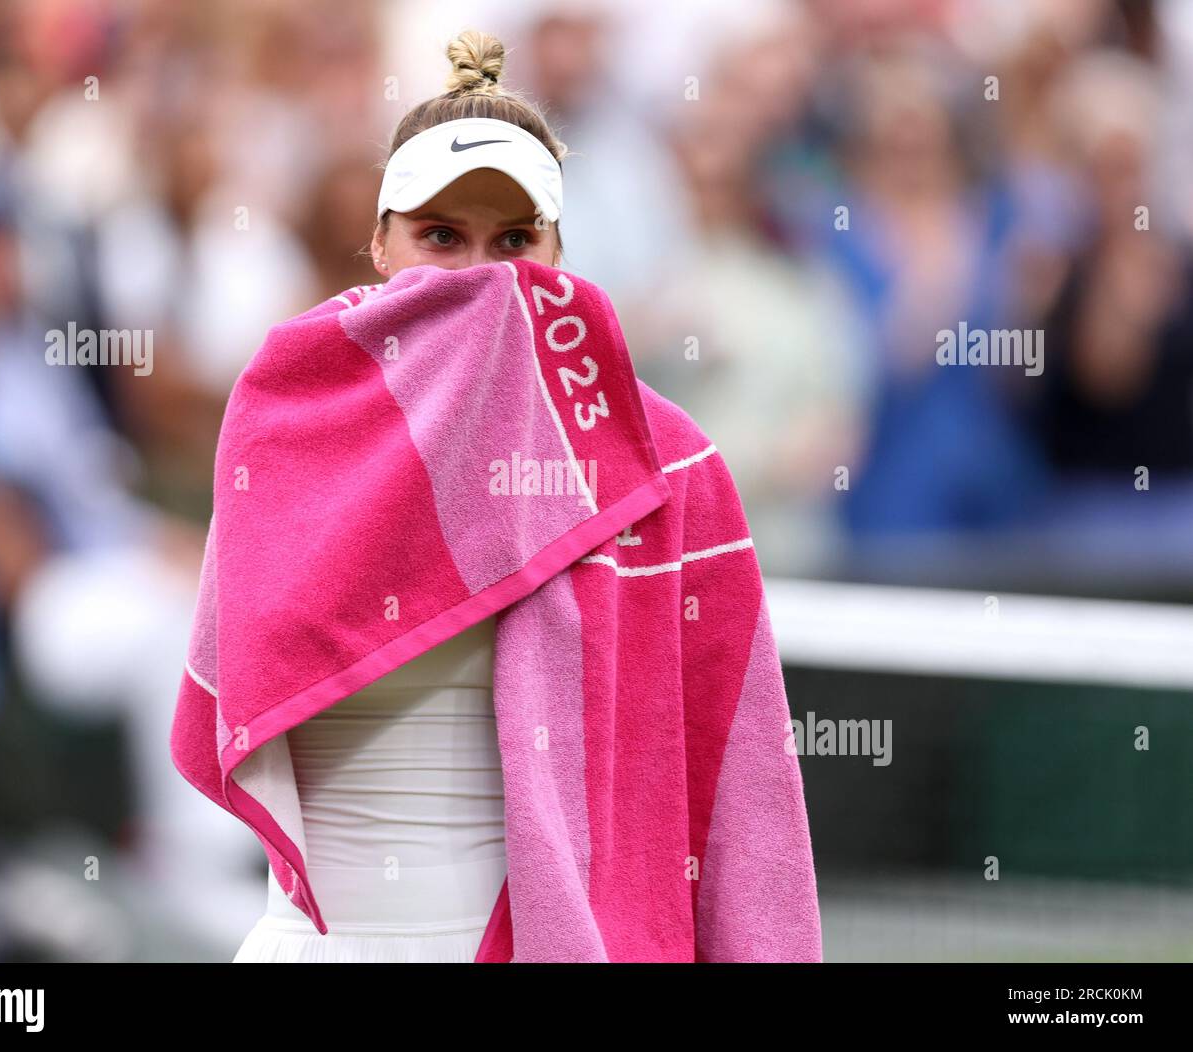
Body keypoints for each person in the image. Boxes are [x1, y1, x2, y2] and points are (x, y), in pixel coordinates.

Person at [220, 29, 819, 964]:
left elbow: (742, 790)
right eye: (441, 237)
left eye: (513, 240)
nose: (480, 276)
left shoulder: (670, 462)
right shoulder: (285, 418)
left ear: (559, 253)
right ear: (378, 246)